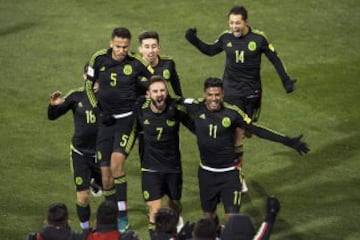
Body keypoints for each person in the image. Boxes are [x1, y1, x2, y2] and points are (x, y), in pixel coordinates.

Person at [185, 5, 297, 191]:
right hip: (231, 92)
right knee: (237, 132)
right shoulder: (226, 37)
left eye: (237, 23)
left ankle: (236, 165)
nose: (234, 27)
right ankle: (237, 175)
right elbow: (211, 50)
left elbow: (274, 59)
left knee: (249, 131)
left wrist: (286, 81)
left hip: (253, 95)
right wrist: (194, 40)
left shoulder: (259, 39)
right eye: (231, 23)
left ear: (245, 22)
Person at [180, 77, 309, 220]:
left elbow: (257, 130)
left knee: (232, 220)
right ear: (204, 94)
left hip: (230, 174)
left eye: (217, 95)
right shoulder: (195, 106)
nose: (214, 99)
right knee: (208, 218)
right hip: (206, 173)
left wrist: (288, 141)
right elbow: (172, 101)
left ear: (223, 94)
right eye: (210, 95)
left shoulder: (233, 113)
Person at [85, 27, 153, 232]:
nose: (121, 50)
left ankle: (123, 217)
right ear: (110, 44)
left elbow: (156, 83)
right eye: (118, 46)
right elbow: (88, 87)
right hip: (105, 122)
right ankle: (112, 215)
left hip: (126, 121)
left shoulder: (136, 63)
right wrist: (98, 110)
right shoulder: (98, 59)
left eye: (125, 47)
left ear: (129, 46)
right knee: (105, 177)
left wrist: (142, 100)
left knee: (116, 165)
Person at [133, 75, 195, 236]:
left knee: (174, 205)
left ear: (167, 93)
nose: (159, 94)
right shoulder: (140, 109)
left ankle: (173, 228)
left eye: (162, 90)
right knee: (155, 211)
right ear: (148, 94)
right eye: (155, 91)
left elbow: (196, 127)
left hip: (172, 166)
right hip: (150, 167)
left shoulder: (176, 110)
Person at [47, 63, 102, 230]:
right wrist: (53, 105)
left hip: (102, 153)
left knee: (108, 188)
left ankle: (95, 181)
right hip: (80, 153)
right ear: (84, 77)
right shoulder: (76, 96)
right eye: (90, 77)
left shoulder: (110, 97)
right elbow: (52, 116)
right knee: (83, 197)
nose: (93, 81)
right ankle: (86, 230)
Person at [138, 31, 183, 97]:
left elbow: (177, 88)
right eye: (147, 47)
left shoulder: (168, 63)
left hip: (163, 103)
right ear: (140, 49)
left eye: (154, 47)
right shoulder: (134, 66)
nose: (151, 51)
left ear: (159, 48)